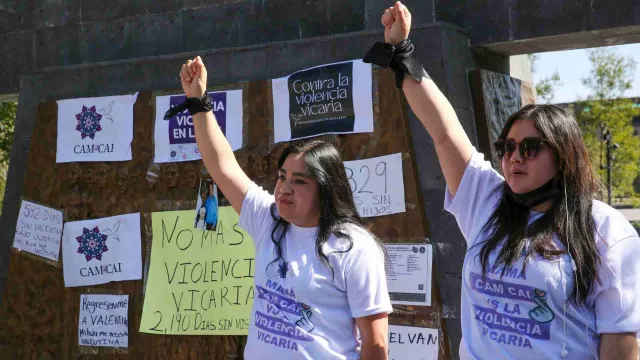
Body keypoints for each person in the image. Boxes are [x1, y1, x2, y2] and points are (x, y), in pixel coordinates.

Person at [364, 2, 640, 359]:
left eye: (530, 147)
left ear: (564, 155)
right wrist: (402, 50)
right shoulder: (487, 200)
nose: (513, 158)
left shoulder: (604, 229)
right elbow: (444, 132)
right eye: (507, 147)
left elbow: (620, 343)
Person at [177, 57, 392, 358]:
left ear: (327, 189)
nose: (285, 188)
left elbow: (376, 343)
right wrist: (198, 101)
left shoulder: (354, 247)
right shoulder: (269, 220)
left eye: (300, 182)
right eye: (282, 177)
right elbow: (222, 166)